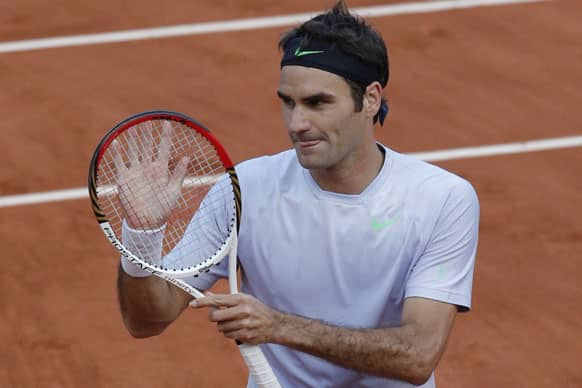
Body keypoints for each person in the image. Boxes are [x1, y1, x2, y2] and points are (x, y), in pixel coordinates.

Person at [116, 1, 480, 387]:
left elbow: (418, 355)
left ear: (371, 99)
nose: (297, 123)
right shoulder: (246, 189)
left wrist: (278, 326)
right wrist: (141, 239)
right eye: (287, 103)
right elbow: (146, 321)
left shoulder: (442, 199)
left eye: (318, 103)